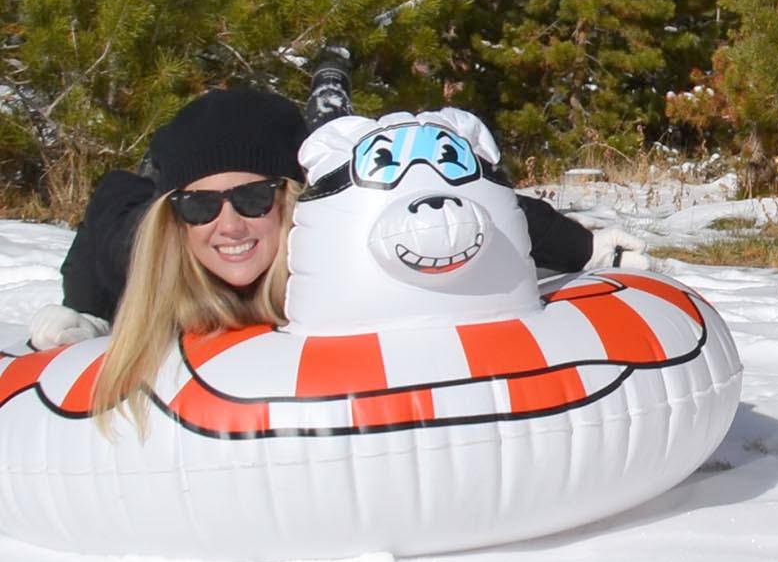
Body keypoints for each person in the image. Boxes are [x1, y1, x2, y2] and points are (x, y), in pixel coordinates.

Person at [30, 84, 639, 366]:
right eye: (199, 205)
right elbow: (103, 223)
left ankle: (332, 108)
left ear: (290, 200)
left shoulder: (330, 239)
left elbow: (476, 212)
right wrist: (81, 313)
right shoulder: (145, 247)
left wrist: (588, 248)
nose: (228, 224)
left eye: (251, 198)